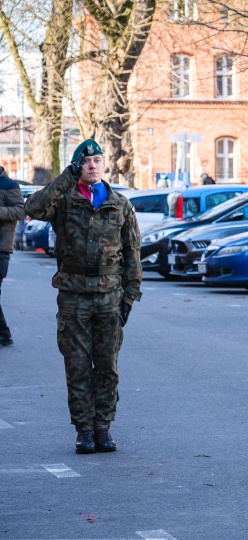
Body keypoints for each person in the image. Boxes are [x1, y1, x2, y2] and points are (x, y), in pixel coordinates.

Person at [24, 139, 142, 454]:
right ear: (78, 167)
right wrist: (65, 176)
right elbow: (32, 207)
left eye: (97, 161)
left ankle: (103, 428)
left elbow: (133, 254)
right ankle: (84, 430)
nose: (92, 165)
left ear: (103, 165)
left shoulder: (120, 204)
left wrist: (130, 297)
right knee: (77, 366)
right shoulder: (63, 201)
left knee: (107, 366)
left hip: (109, 297)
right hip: (73, 296)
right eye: (85, 162)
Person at [0, 166, 25, 346]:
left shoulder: (9, 184)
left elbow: (21, 211)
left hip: (1, 248)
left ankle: (4, 333)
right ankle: (4, 334)